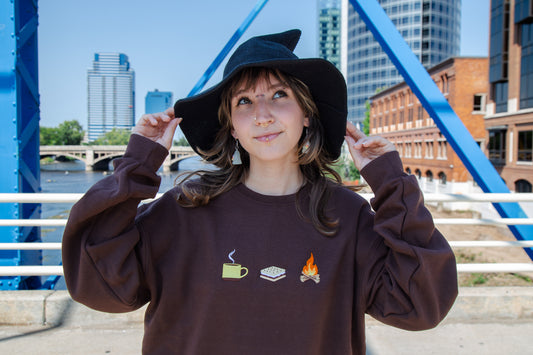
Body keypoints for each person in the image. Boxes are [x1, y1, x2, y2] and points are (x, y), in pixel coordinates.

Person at [62, 29, 457, 354]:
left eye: (279, 95)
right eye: (245, 101)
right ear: (232, 125)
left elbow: (420, 305)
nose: (262, 114)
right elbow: (99, 286)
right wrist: (139, 163)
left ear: (307, 113)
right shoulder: (184, 209)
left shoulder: (347, 216)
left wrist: (391, 184)